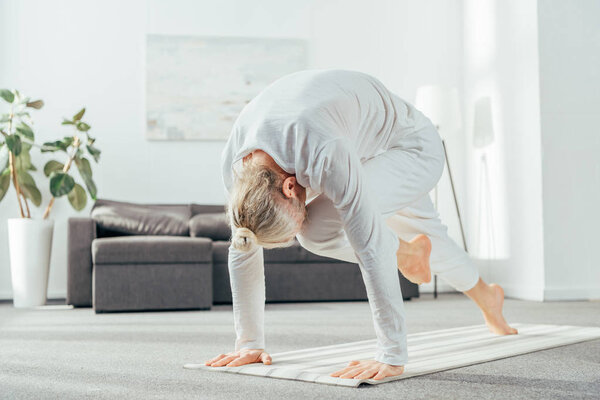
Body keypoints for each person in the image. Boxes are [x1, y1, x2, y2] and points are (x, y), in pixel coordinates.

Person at [204, 69, 517, 381]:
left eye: (294, 218)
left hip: (411, 150)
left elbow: (369, 246)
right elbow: (243, 246)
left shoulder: (321, 149)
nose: (298, 223)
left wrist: (391, 354)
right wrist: (249, 344)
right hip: (364, 148)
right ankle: (487, 296)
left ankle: (408, 253)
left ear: (289, 188)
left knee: (314, 232)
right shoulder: (239, 167)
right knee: (431, 235)